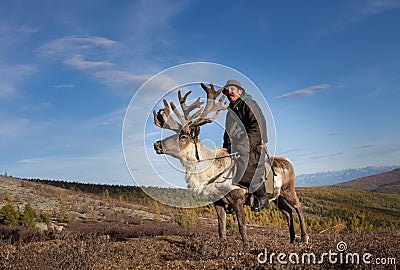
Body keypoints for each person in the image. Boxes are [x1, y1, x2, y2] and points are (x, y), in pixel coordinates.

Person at [222, 79, 271, 212]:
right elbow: (227, 132)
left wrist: (244, 144)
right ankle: (235, 200)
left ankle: (262, 197)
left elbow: (258, 126)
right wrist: (225, 149)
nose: (229, 92)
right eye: (227, 90)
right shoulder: (230, 112)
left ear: (240, 91)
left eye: (232, 89)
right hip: (236, 146)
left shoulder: (249, 104)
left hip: (253, 145)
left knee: (247, 166)